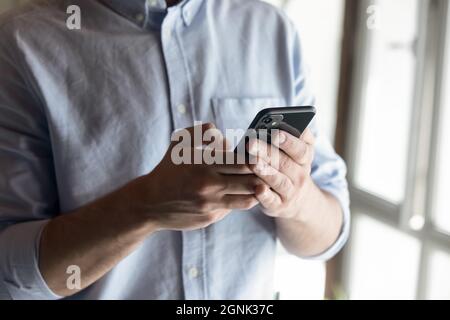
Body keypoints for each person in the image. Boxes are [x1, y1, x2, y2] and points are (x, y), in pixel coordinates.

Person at [0, 0, 350, 300]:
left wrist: (297, 197)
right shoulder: (22, 44)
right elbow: (9, 277)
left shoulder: (269, 28)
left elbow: (330, 233)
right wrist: (143, 206)